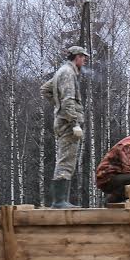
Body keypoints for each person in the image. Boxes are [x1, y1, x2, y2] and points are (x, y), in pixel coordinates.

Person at [40, 45, 86, 208]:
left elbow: (45, 89)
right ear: (77, 57)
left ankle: (60, 201)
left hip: (62, 120)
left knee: (65, 158)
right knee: (66, 160)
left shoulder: (62, 71)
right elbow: (67, 99)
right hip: (68, 123)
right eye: (83, 56)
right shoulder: (68, 73)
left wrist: (57, 106)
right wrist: (73, 122)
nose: (84, 60)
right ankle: (59, 201)